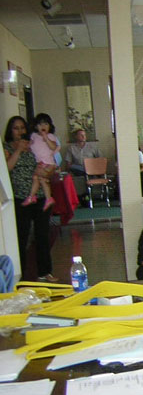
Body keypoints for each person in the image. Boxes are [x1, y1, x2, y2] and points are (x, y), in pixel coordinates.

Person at [3, 116, 57, 282]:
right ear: (10, 131)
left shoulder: (33, 144)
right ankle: (20, 275)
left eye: (22, 128)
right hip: (20, 198)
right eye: (16, 128)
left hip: (40, 195)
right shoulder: (6, 148)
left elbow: (48, 160)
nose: (20, 131)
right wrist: (18, 150)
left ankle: (45, 272)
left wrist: (48, 171)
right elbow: (6, 169)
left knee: (42, 235)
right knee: (22, 236)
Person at [24, 113, 60, 211]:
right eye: (40, 124)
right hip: (39, 162)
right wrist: (28, 145)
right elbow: (31, 146)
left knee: (41, 178)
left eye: (46, 124)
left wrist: (46, 138)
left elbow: (53, 147)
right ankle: (41, 197)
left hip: (49, 163)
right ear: (36, 126)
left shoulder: (51, 136)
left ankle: (35, 196)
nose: (43, 126)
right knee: (37, 178)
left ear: (50, 126)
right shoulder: (34, 136)